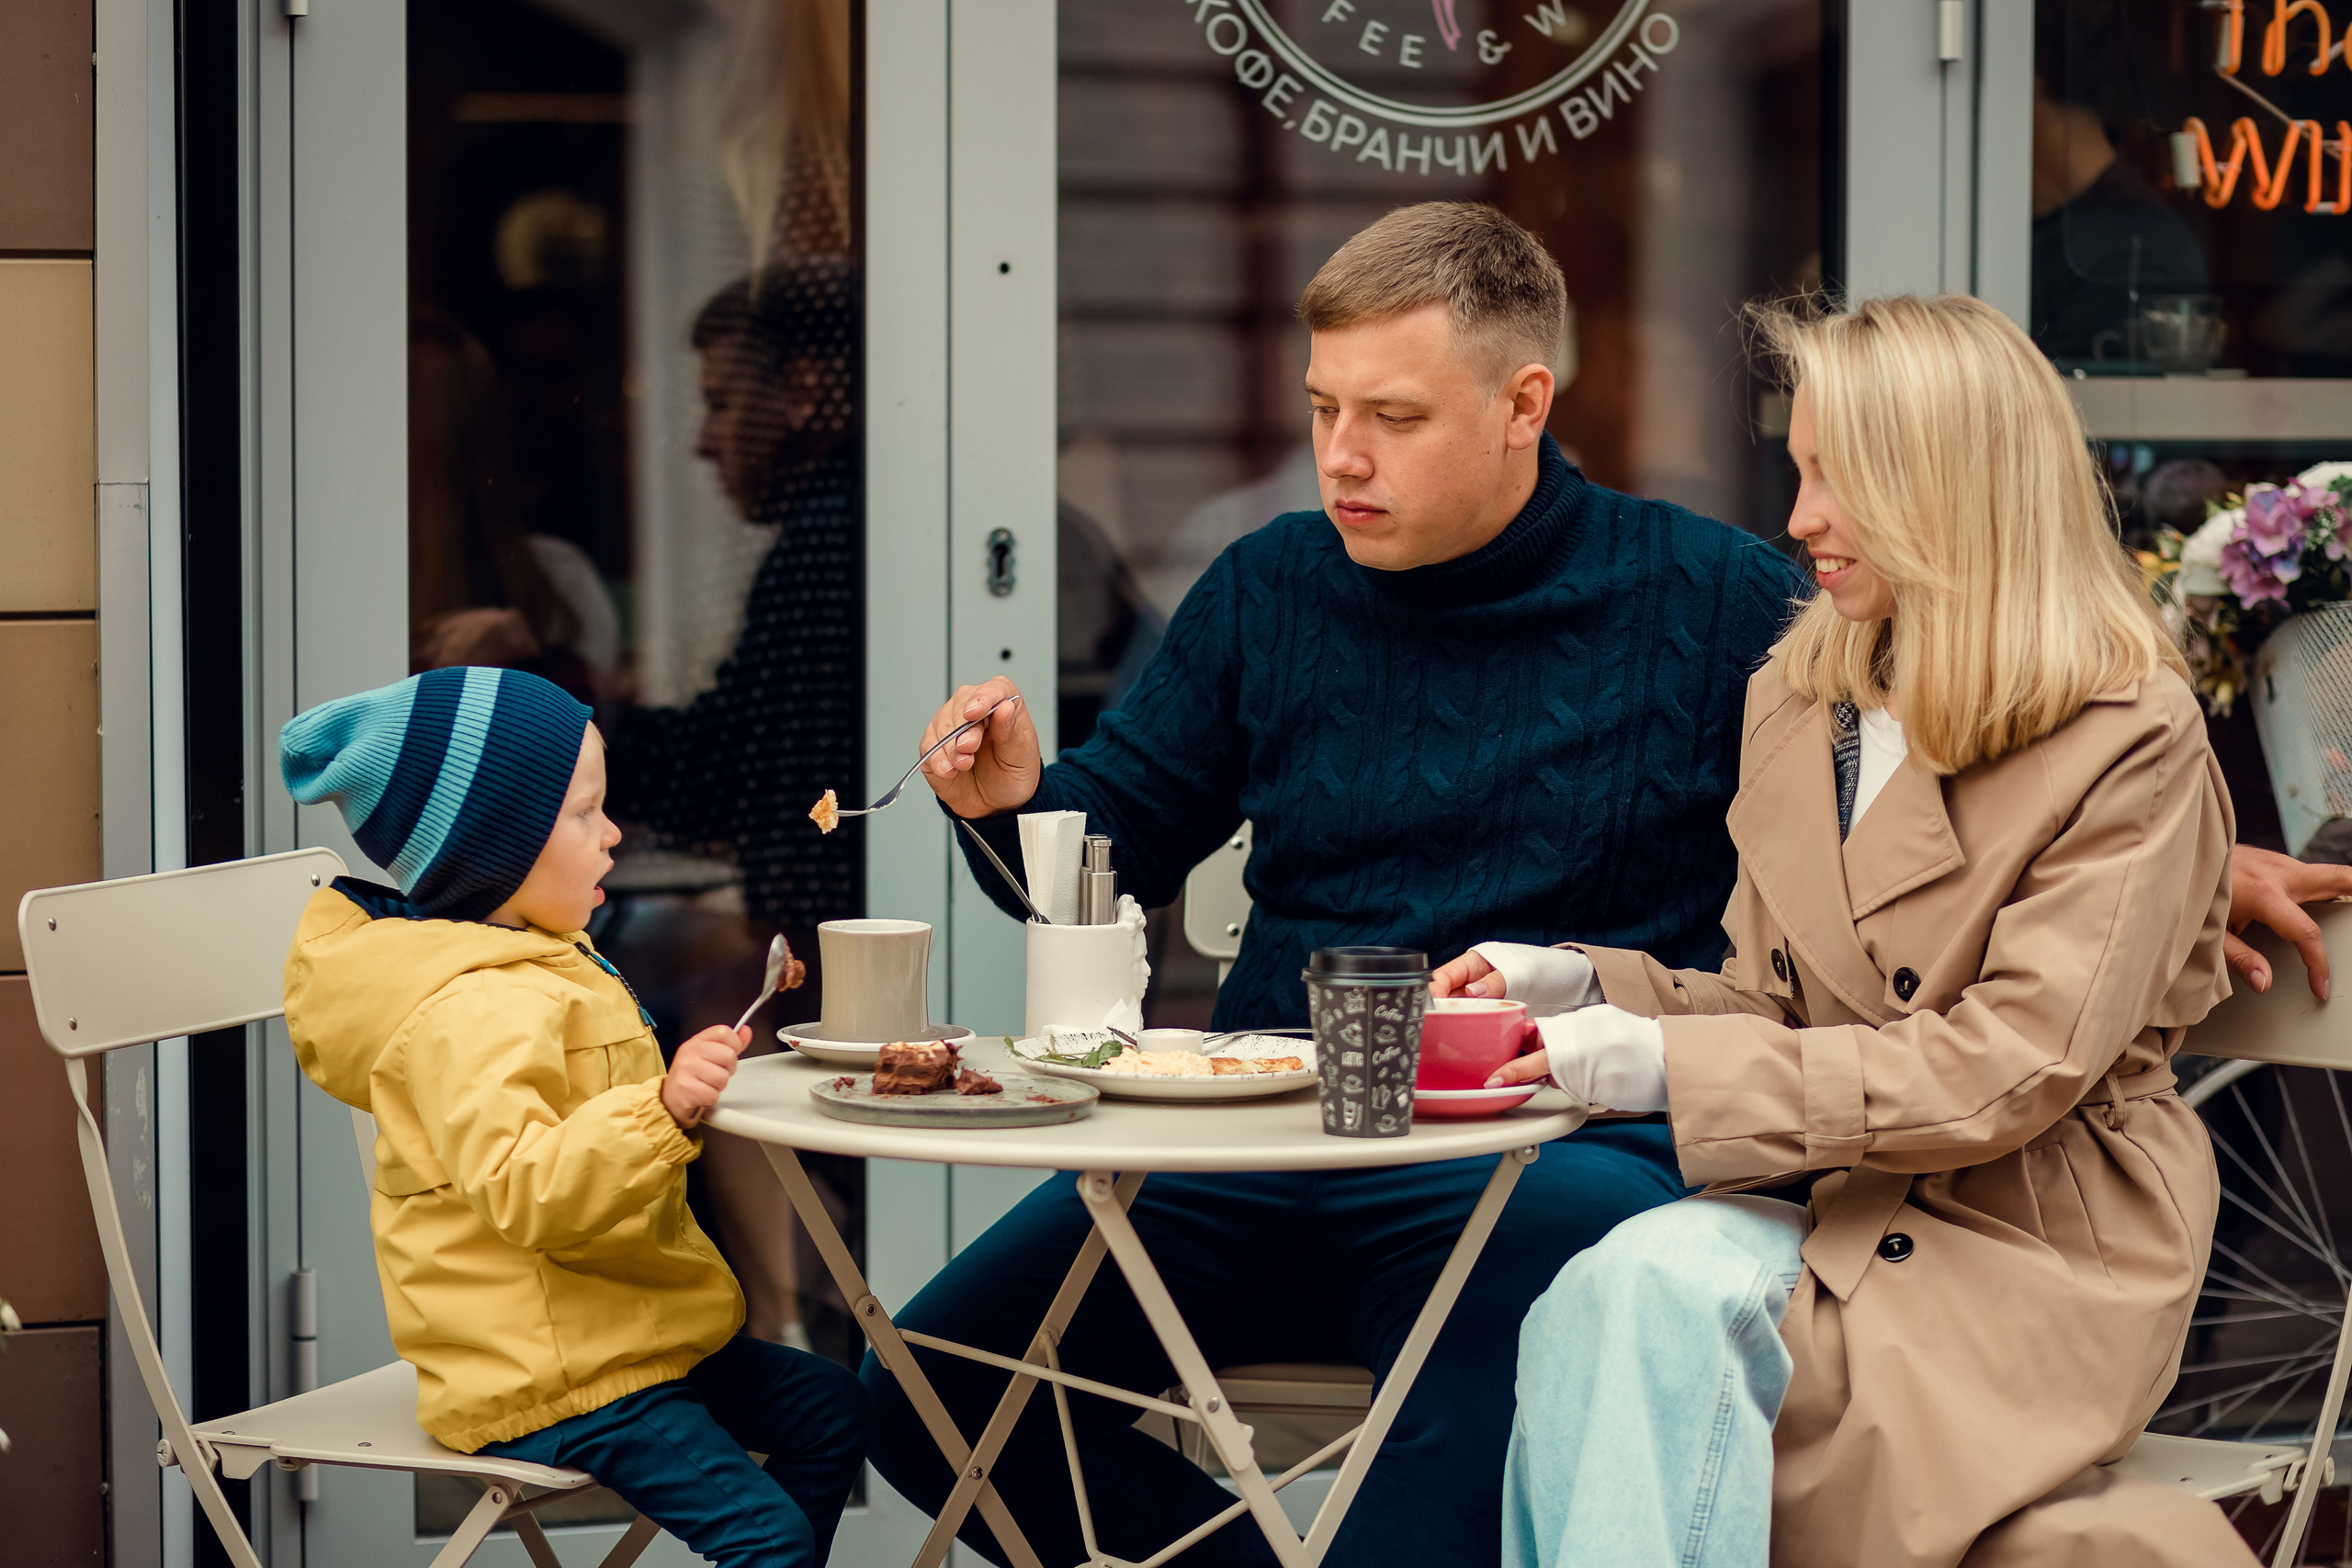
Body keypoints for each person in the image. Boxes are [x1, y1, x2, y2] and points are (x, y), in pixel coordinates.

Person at [865, 202, 1810, 1568]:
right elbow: (1111, 842)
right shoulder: (1271, 587)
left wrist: (2211, 855)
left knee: (1463, 1441)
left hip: (1544, 1147)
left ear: (1522, 404)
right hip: (1268, 1131)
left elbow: (1915, 805)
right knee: (927, 1388)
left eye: (1394, 417)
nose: (1340, 458)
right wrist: (1013, 800)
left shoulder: (1716, 598)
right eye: (1321, 408)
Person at [1445, 294, 2258, 1567]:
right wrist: (1576, 985)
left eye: (1839, 476)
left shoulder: (2128, 729)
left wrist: (1655, 1063)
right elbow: (1789, 1013)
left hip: (2031, 1242)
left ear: (1955, 486)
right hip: (1844, 1204)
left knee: (1640, 1298)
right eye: (1801, 467)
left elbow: (2007, 1065)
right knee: (1598, 1295)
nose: (1798, 516)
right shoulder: (1805, 690)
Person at [277, 666, 866, 1567]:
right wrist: (660, 1110)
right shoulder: (468, 1009)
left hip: (632, 1332)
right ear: (495, 849)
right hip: (550, 1375)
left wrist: (672, 1098)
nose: (613, 833)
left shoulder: (540, 959)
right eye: (584, 814)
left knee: (835, 1410)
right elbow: (529, 1191)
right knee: (767, 1535)